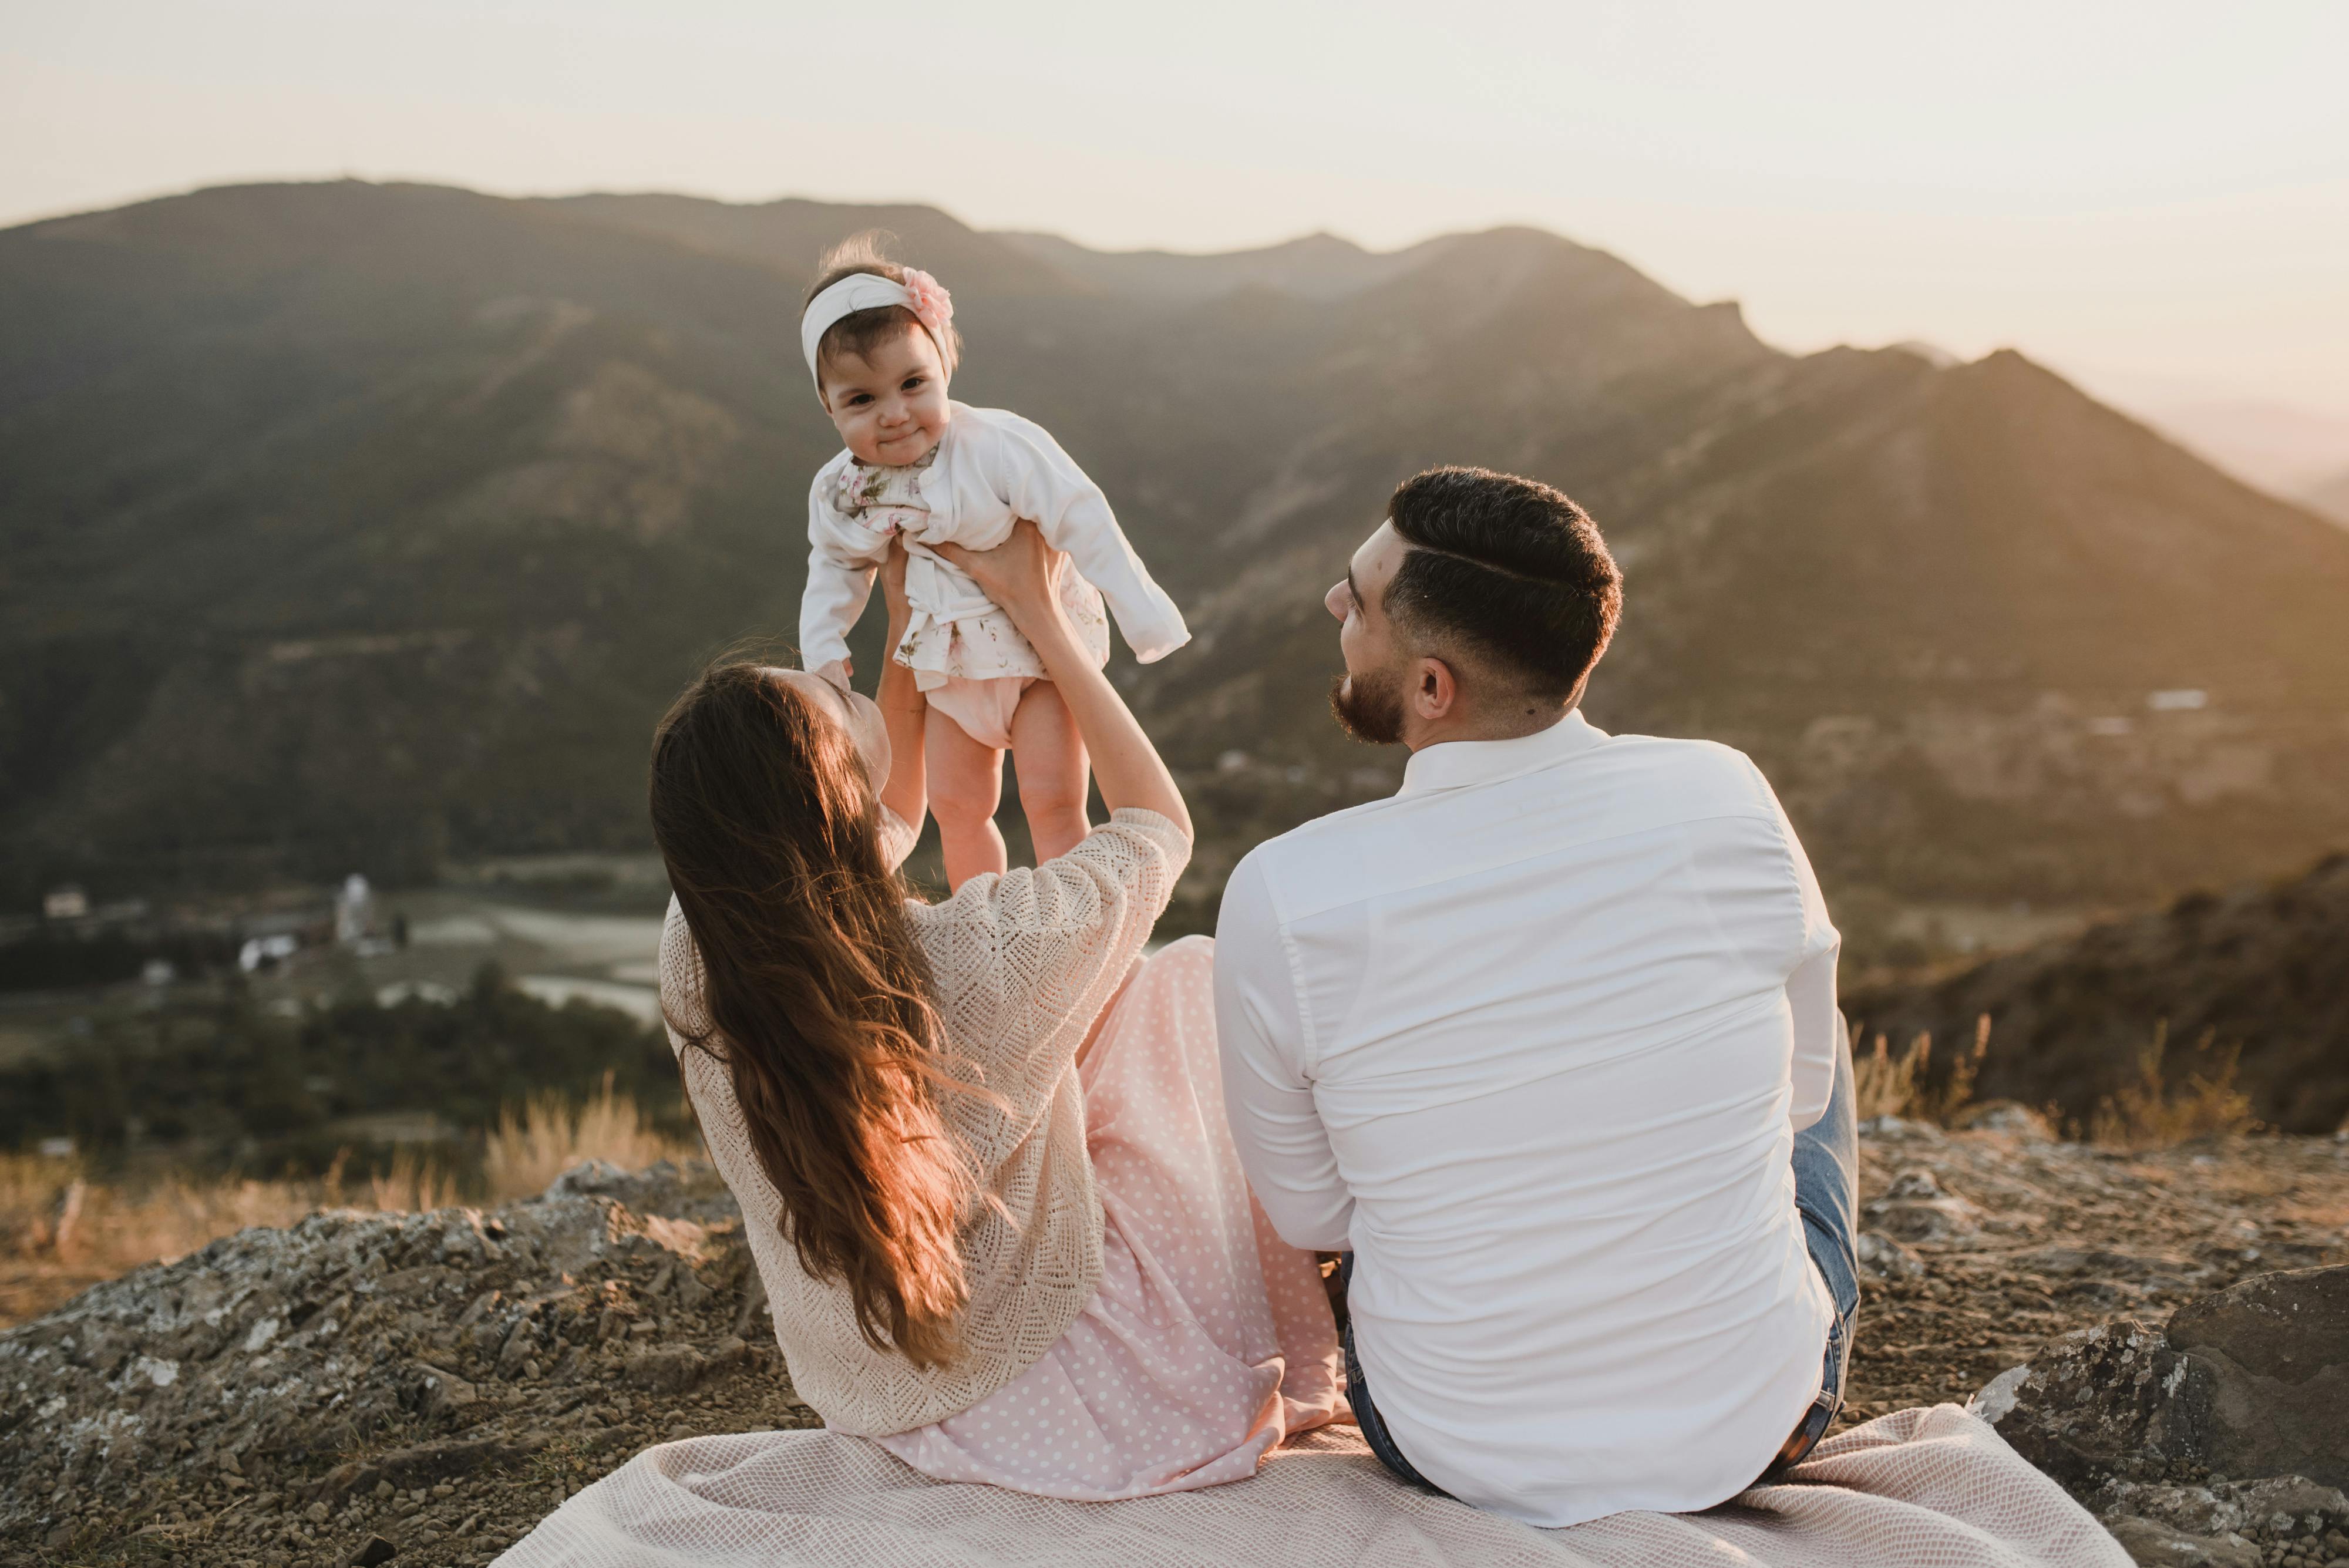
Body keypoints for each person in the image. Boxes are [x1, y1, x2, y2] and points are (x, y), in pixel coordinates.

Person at [1213, 466, 1859, 1528]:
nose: (1335, 605)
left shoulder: (1285, 892)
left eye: (1358, 598)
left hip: (1450, 1444)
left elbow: (1316, 1213)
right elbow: (1796, 1102)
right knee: (1810, 1025)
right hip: (1758, 1424)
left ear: (1432, 689)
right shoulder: (1726, 792)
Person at [653, 525, 1339, 1502]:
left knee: (1125, 1016)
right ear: (838, 802)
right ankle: (1303, 1347)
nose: (858, 687)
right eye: (845, 700)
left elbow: (875, 815)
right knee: (1187, 979)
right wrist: (1045, 624)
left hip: (870, 1385)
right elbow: (1157, 828)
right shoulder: (975, 955)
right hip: (1059, 1399)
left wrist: (905, 618)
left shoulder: (701, 948)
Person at [795, 235, 1190, 890]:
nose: (894, 415)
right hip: (948, 669)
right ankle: (984, 916)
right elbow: (834, 566)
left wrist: (1143, 616)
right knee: (958, 809)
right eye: (861, 401)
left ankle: (1076, 932)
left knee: (1054, 802)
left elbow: (1081, 516)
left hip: (1039, 662)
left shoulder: (997, 446)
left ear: (945, 365)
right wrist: (824, 650)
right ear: (828, 407)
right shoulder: (843, 490)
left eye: (912, 384)